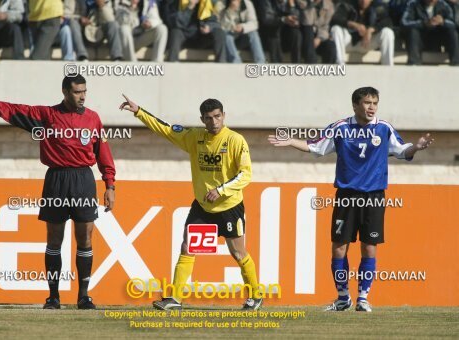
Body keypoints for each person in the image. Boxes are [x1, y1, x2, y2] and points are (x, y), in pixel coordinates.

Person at [0, 74, 116, 310]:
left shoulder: (93, 118)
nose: (82, 96)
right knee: (54, 240)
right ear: (65, 92)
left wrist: (110, 184)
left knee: (85, 238)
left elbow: (103, 153)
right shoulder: (46, 116)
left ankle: (83, 296)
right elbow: (6, 108)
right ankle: (54, 297)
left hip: (83, 179)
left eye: (84, 91)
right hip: (56, 180)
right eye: (78, 92)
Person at [268, 87, 433, 312]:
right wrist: (290, 141)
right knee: (339, 248)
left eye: (375, 102)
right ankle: (343, 298)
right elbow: (314, 146)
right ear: (355, 105)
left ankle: (363, 298)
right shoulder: (340, 128)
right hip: (347, 197)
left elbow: (403, 151)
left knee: (369, 248)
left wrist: (417, 147)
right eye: (367, 102)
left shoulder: (384, 128)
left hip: (374, 197)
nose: (371, 107)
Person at [120, 95, 263, 310]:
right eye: (208, 118)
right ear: (202, 119)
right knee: (188, 248)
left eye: (217, 116)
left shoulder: (235, 140)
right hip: (203, 207)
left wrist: (221, 190)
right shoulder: (194, 137)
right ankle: (175, 299)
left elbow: (246, 175)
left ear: (224, 116)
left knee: (238, 253)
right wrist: (139, 111)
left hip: (229, 207)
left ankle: (256, 295)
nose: (214, 122)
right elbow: (165, 129)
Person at [331, 0, 395, 65]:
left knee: (388, 32)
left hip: (367, 42)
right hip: (349, 42)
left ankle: (388, 66)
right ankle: (340, 64)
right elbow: (335, 19)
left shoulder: (378, 6)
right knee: (336, 29)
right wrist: (353, 24)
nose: (364, 1)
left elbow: (388, 21)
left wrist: (371, 30)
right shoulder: (347, 4)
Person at [402, 0, 459, 65]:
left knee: (452, 31)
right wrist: (424, 23)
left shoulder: (443, 4)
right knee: (413, 31)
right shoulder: (413, 4)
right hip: (420, 38)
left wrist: (443, 22)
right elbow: (404, 22)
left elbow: (454, 24)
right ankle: (414, 63)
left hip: (438, 38)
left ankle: (456, 63)